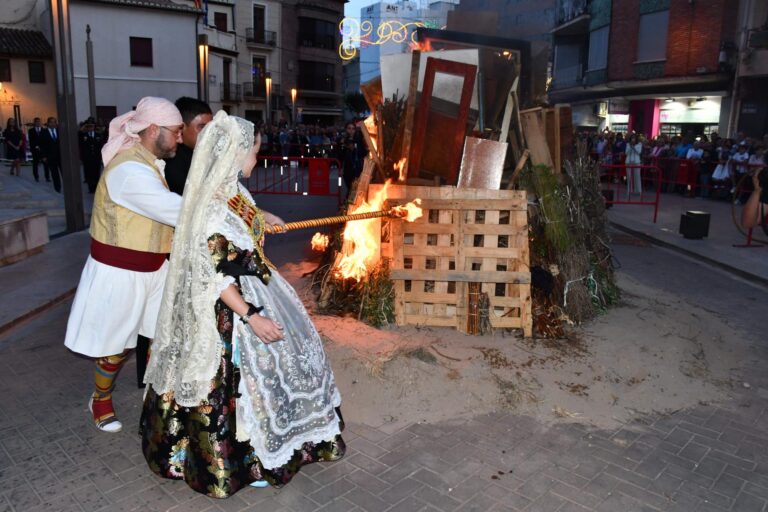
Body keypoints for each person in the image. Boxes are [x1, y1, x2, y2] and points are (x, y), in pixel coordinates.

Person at [141, 111, 345, 498]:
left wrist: (264, 217)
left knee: (275, 371)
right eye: (254, 152)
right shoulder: (210, 210)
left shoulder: (232, 189)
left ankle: (278, 443)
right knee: (240, 384)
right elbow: (215, 275)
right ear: (235, 154)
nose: (257, 159)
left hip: (254, 287)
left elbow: (243, 214)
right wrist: (252, 317)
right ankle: (246, 461)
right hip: (228, 307)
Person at [64, 97, 185, 433]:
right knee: (117, 344)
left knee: (162, 336)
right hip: (119, 271)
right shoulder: (128, 170)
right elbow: (175, 210)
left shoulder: (147, 162)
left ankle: (157, 397)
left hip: (155, 268)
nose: (179, 137)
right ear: (154, 129)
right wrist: (235, 213)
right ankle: (100, 399)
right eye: (175, 131)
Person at [134, 97, 213, 388]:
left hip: (191, 244)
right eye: (201, 127)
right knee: (157, 315)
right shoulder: (168, 160)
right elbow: (179, 205)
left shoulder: (200, 155)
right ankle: (149, 376)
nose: (207, 132)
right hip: (167, 249)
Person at [164, 97, 213, 195]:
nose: (210, 132)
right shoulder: (172, 161)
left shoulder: (205, 153)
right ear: (181, 127)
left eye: (212, 127)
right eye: (202, 127)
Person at [78, 117, 106, 193]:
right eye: (89, 126)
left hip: (96, 157)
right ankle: (91, 188)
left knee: (96, 173)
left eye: (92, 126)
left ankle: (96, 188)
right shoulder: (83, 135)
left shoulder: (98, 135)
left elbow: (101, 146)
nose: (90, 128)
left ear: (94, 127)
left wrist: (102, 157)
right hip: (87, 158)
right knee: (89, 173)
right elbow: (78, 134)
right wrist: (83, 127)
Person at [40, 117, 62, 192]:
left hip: (60, 156)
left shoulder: (59, 131)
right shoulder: (44, 132)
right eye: (51, 122)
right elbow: (42, 145)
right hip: (50, 156)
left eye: (54, 122)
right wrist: (43, 156)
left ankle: (67, 187)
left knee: (64, 173)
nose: (53, 124)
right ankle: (57, 188)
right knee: (54, 173)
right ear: (48, 123)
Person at [28, 117, 48, 182]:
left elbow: (45, 140)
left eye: (39, 121)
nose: (38, 123)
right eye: (36, 122)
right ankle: (36, 177)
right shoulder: (31, 130)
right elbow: (31, 140)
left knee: (45, 163)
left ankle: (47, 177)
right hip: (35, 149)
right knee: (35, 163)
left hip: (43, 150)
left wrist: (43, 147)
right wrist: (35, 146)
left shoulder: (44, 130)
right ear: (34, 123)